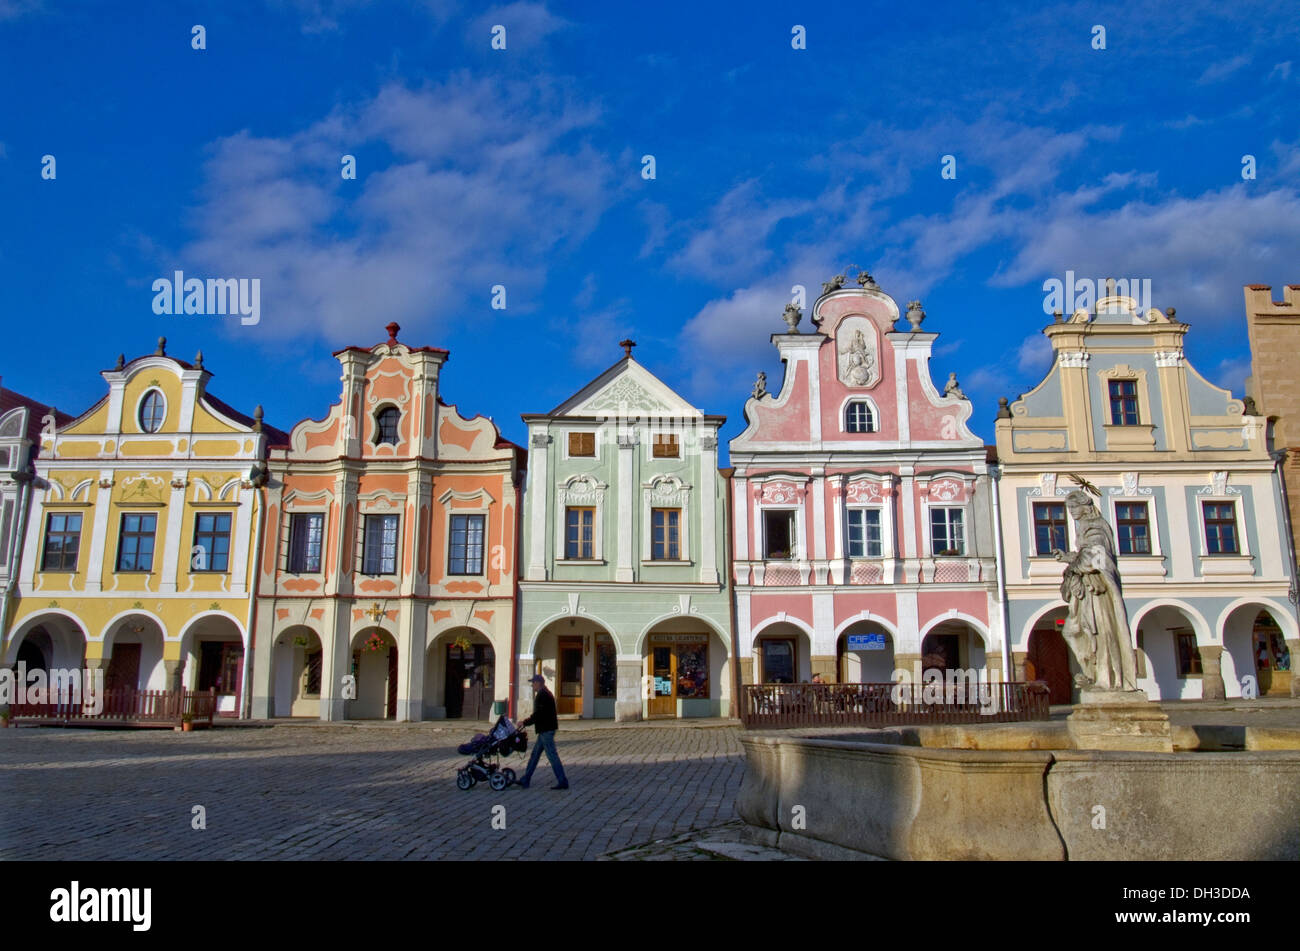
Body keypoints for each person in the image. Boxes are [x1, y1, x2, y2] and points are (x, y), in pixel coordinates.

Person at [1052, 490, 1138, 692]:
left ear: (1085, 505)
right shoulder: (1085, 527)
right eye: (1069, 508)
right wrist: (1068, 558)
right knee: (1076, 631)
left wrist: (1074, 565)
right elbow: (1086, 553)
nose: (1071, 512)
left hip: (1099, 589)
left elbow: (1097, 555)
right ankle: (1096, 674)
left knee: (1102, 631)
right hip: (1088, 587)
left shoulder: (1096, 526)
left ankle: (1108, 679)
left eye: (1074, 507)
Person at [518, 674, 569, 790]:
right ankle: (526, 779)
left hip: (546, 730)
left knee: (552, 755)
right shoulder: (545, 693)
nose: (532, 685)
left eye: (533, 683)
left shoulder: (543, 695)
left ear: (538, 683)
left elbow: (538, 715)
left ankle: (562, 781)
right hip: (545, 730)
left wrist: (524, 723)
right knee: (535, 755)